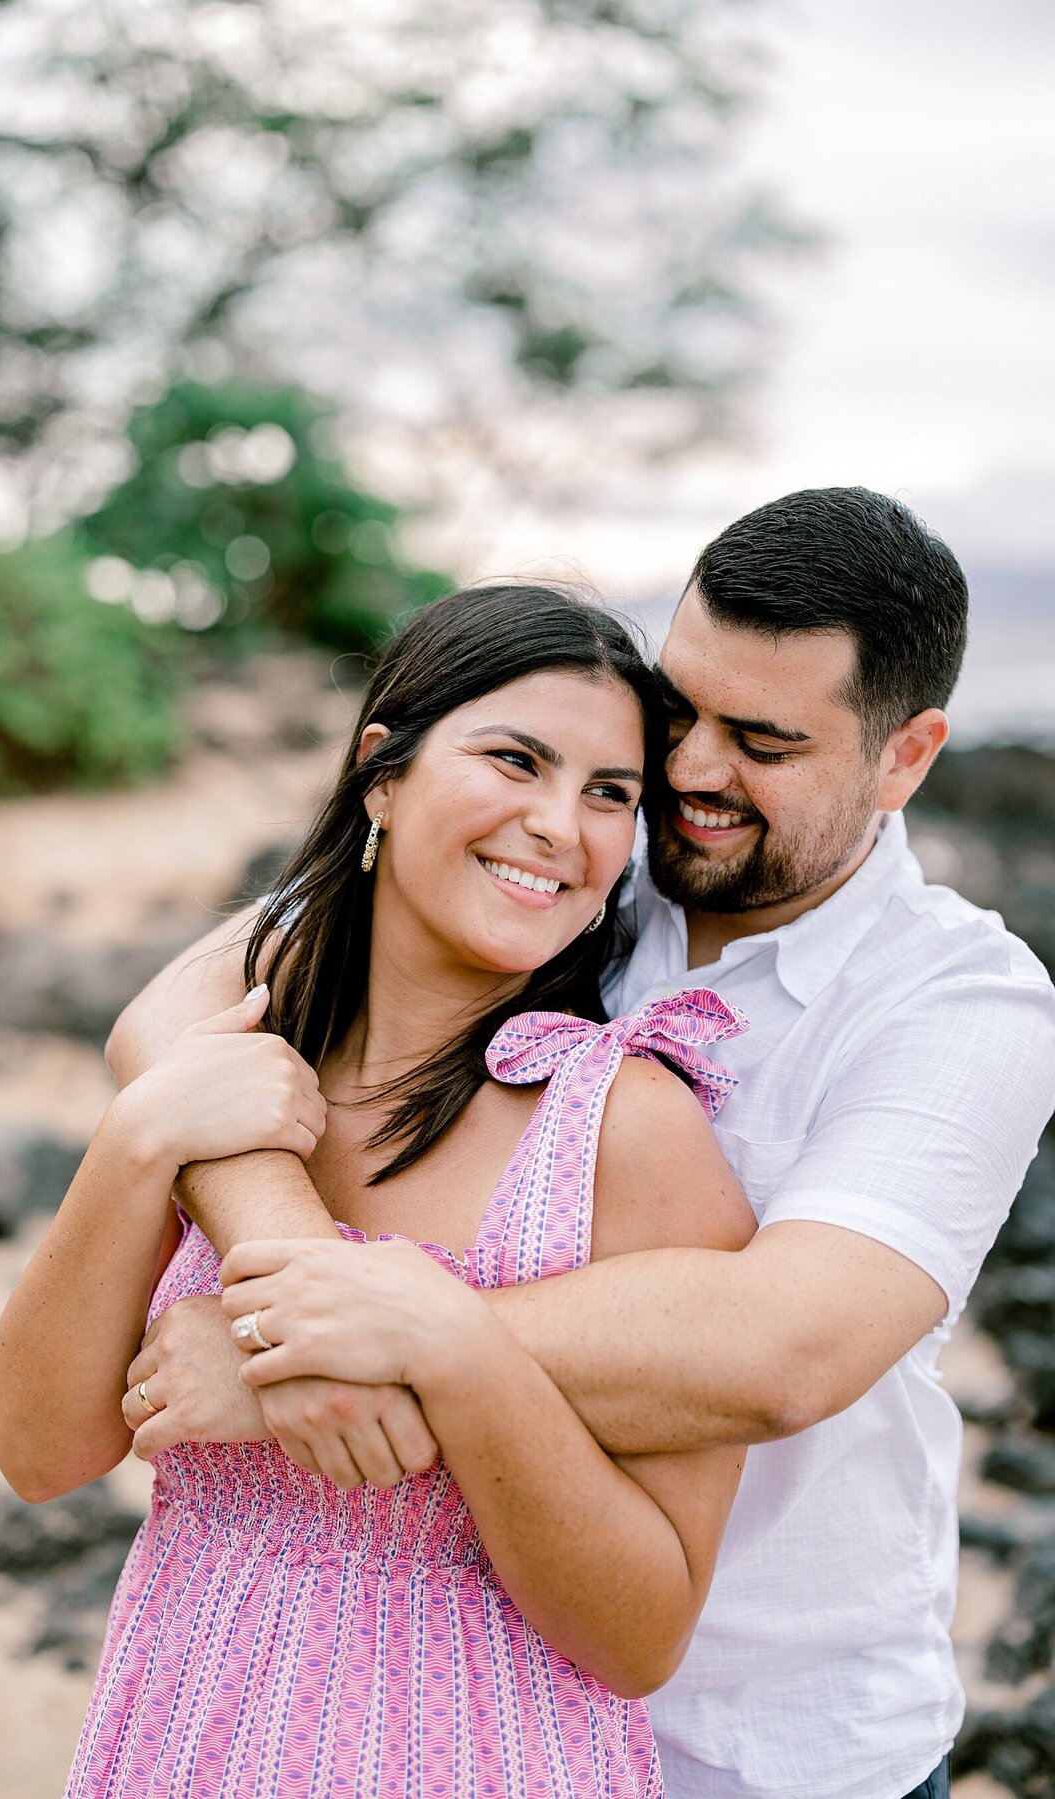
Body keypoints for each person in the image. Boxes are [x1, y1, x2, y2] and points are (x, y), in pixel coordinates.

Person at [112, 488, 1055, 1799]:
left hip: (775, 1745)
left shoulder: (962, 1001)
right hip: (471, 1703)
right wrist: (287, 1286)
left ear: (907, 756)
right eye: (681, 712)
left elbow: (781, 1348)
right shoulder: (575, 857)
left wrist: (344, 1338)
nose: (688, 770)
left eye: (764, 740)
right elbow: (178, 1013)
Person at [0, 584, 760, 1799]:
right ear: (381, 774)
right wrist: (140, 1138)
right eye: (517, 758)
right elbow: (41, 1452)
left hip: (484, 1759)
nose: (563, 824)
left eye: (611, 793)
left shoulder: (624, 1127)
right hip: (185, 1729)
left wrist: (440, 1350)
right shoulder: (228, 1083)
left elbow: (643, 1631)